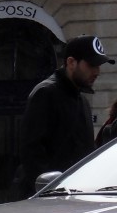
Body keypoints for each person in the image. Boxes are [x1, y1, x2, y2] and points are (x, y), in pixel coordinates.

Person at [18, 35, 114, 195]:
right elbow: (31, 151)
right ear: (71, 62)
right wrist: (51, 192)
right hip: (51, 201)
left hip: (77, 197)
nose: (97, 71)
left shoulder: (82, 100)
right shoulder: (46, 93)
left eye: (99, 66)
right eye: (91, 65)